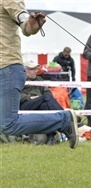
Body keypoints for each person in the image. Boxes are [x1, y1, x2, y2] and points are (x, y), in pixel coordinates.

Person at [0, 1, 78, 149]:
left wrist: (30, 23)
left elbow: (24, 21)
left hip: (6, 68)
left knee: (8, 125)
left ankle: (63, 120)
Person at [20, 60, 65, 145]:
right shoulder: (19, 81)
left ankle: (51, 136)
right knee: (45, 98)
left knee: (44, 105)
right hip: (26, 104)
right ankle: (64, 116)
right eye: (32, 69)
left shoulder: (39, 79)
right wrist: (28, 97)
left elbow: (48, 92)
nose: (35, 71)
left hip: (40, 102)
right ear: (25, 70)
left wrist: (41, 98)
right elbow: (15, 96)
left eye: (36, 69)